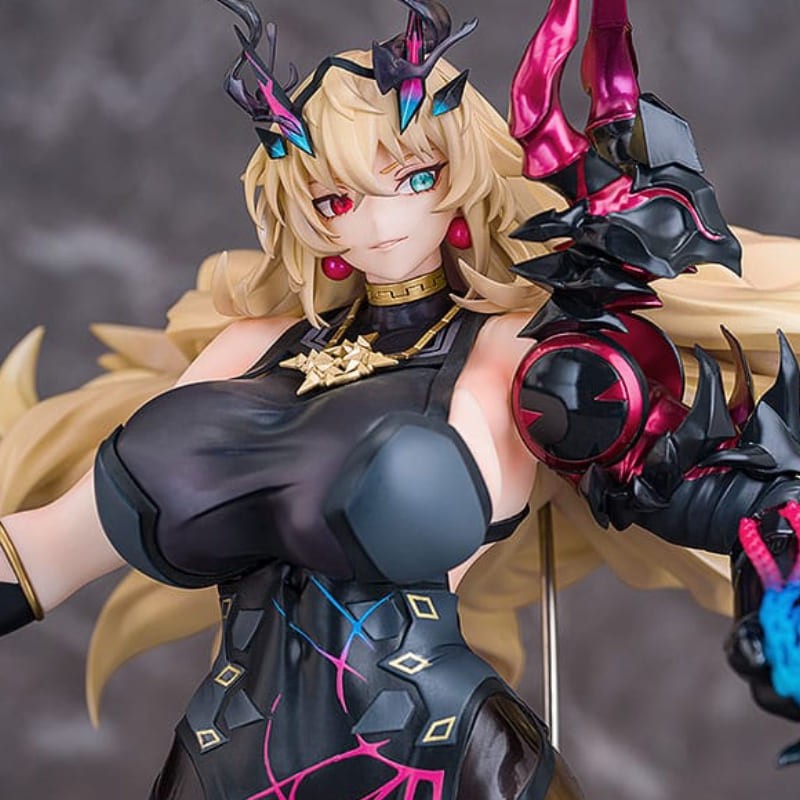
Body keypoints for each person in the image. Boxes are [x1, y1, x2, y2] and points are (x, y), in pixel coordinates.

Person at [0, 0, 798, 797]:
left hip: (450, 761)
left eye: (414, 177)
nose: (380, 220)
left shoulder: (519, 349)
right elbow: (44, 552)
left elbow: (708, 494)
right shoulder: (248, 349)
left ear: (460, 174)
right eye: (337, 199)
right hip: (223, 762)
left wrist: (782, 578)